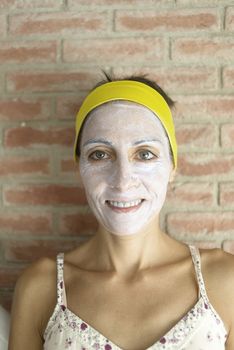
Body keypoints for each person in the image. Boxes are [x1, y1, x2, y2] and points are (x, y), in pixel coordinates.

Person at [8, 73, 234, 350]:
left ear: (173, 166)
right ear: (79, 168)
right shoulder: (40, 288)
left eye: (145, 154)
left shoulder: (224, 280)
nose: (122, 180)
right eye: (100, 154)